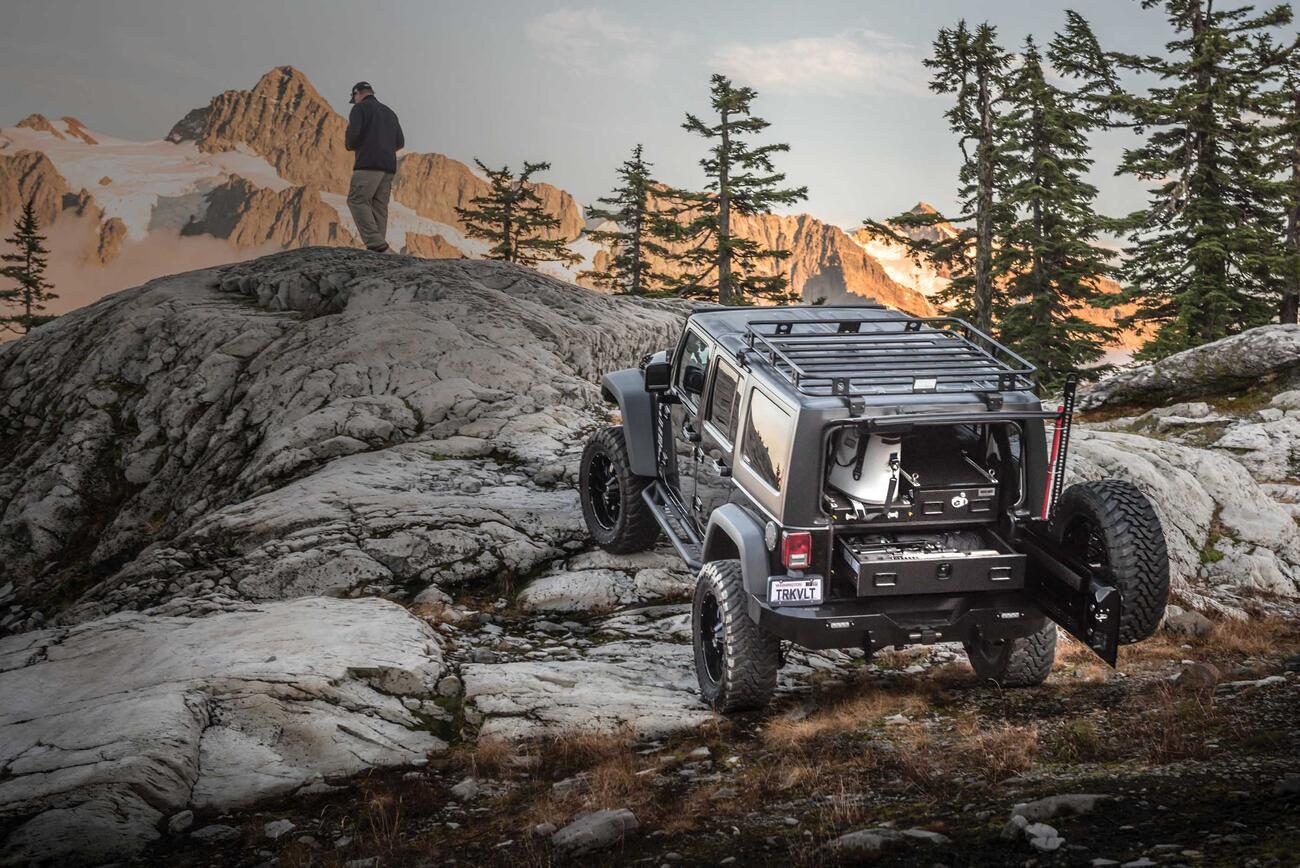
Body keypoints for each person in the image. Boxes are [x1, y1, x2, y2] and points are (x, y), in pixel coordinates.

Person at [344, 81, 404, 252]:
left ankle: (376, 244)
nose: (354, 101)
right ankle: (379, 250)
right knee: (379, 206)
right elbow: (400, 142)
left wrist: (351, 143)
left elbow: (353, 136)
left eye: (354, 97)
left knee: (357, 200)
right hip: (389, 166)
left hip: (368, 164)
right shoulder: (390, 113)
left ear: (357, 93)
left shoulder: (359, 109)